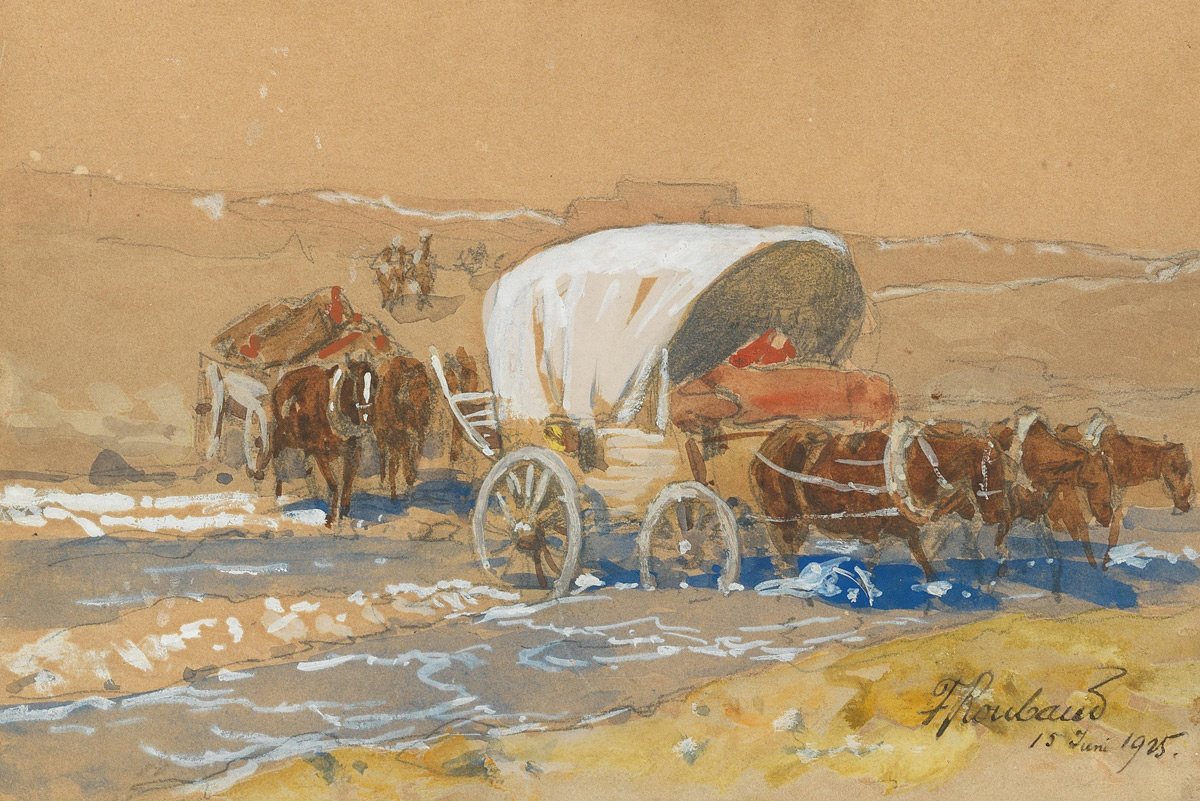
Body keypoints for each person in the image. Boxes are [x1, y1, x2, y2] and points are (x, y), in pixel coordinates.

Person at [369, 235, 408, 308]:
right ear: (392, 243)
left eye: (397, 242)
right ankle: (386, 298)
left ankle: (398, 298)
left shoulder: (401, 251)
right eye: (395, 242)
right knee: (384, 281)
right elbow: (383, 260)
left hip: (398, 269)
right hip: (390, 269)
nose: (396, 244)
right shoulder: (388, 251)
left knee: (399, 283)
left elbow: (403, 261)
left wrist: (402, 267)